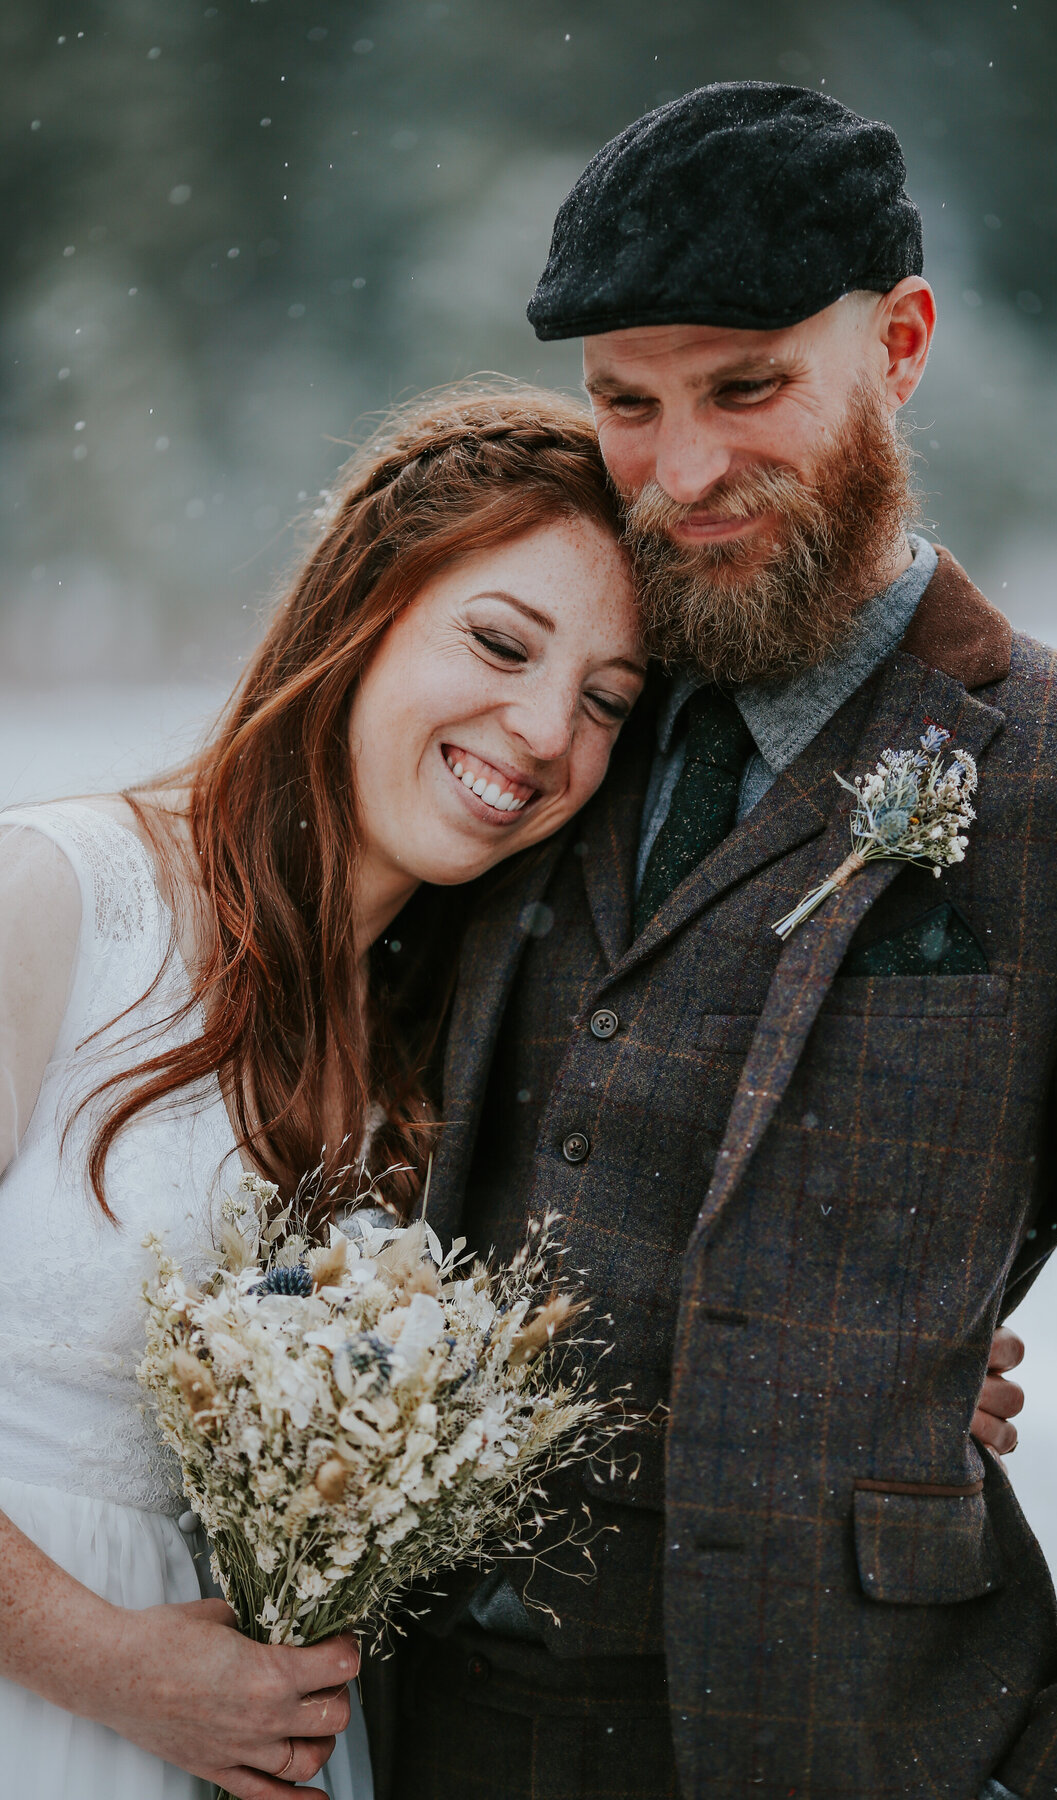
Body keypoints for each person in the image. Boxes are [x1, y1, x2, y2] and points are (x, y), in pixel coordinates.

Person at [362, 85, 1057, 1800]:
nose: (683, 471)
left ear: (899, 345)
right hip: (431, 1725)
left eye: (750, 388)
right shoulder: (537, 723)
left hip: (856, 1741)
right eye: (626, 405)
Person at [0, 387, 647, 1800]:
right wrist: (107, 1666)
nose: (543, 731)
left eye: (605, 701)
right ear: (361, 609)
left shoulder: (435, 1047)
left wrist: (899, 1353)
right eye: (498, 641)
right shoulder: (56, 898)